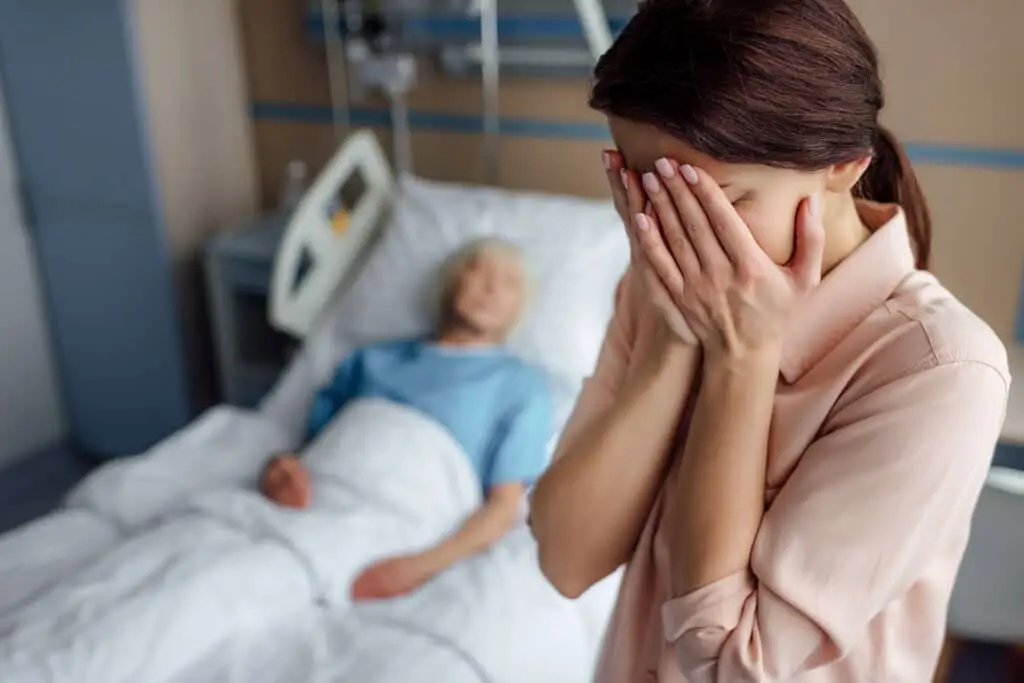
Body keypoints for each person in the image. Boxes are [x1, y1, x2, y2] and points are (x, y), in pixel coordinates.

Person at [529, 2, 1011, 682]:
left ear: (842, 166)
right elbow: (564, 558)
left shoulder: (940, 371)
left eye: (714, 200)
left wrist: (741, 359)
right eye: (647, 195)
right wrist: (672, 335)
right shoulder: (654, 286)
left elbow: (733, 667)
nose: (670, 234)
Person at [262, 237, 551, 602]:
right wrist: (278, 469)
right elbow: (312, 445)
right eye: (478, 269)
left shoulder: (519, 385)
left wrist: (417, 568)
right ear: (451, 282)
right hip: (309, 503)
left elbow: (503, 507)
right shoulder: (372, 359)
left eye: (509, 282)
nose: (491, 287)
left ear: (517, 310)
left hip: (395, 521)